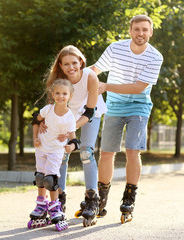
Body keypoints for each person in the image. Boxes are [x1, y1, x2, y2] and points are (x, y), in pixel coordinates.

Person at [90, 15, 163, 223]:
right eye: (137, 29)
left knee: (133, 150)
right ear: (130, 31)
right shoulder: (115, 48)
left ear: (151, 32)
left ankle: (129, 198)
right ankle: (100, 200)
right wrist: (72, 82)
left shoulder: (155, 56)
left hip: (139, 107)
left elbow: (140, 87)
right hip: (114, 106)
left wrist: (106, 87)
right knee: (106, 152)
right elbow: (94, 71)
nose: (141, 33)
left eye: (145, 30)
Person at [41, 45, 107, 227]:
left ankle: (92, 199)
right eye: (66, 64)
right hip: (67, 114)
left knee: (86, 151)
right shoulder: (58, 80)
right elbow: (54, 109)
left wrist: (70, 129)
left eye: (74, 63)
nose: (71, 67)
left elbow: (89, 112)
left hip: (89, 114)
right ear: (60, 66)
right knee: (60, 152)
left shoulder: (90, 77)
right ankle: (58, 200)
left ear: (81, 62)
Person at [28, 79, 79, 231]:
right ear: (52, 94)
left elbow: (74, 138)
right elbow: (35, 120)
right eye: (57, 93)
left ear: (70, 96)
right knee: (40, 178)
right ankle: (41, 205)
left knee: (50, 179)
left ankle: (55, 207)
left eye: (64, 93)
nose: (60, 96)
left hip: (56, 150)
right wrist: (35, 138)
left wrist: (71, 146)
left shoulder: (69, 116)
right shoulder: (48, 109)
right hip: (42, 148)